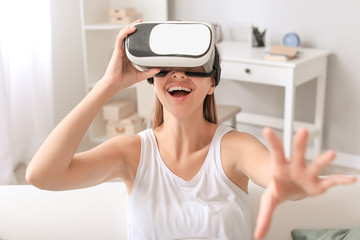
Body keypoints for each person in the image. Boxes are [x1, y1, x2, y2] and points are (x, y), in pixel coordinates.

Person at [26, 19, 356, 240]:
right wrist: (108, 84)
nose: (178, 76)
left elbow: (280, 179)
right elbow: (42, 175)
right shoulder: (132, 153)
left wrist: (297, 180)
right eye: (166, 68)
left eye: (193, 68)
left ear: (212, 82)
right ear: (152, 79)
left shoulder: (235, 148)